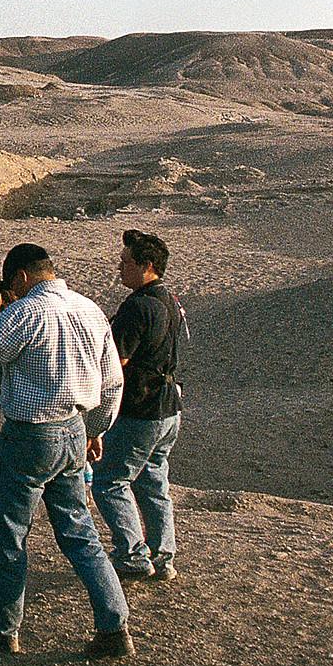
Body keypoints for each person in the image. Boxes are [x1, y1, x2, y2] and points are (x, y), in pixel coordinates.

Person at [0, 243, 132, 660]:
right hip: (73, 428)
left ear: (18, 279)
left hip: (30, 435)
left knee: (8, 535)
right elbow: (112, 383)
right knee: (80, 532)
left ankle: (2, 629)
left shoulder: (25, 312)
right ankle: (114, 625)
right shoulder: (91, 309)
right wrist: (94, 429)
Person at [90, 230, 184, 583]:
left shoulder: (138, 306)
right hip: (168, 407)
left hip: (140, 409)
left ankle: (131, 555)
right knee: (153, 482)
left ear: (147, 266)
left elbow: (116, 362)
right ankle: (163, 556)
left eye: (126, 263)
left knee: (110, 480)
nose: (119, 269)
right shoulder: (171, 300)